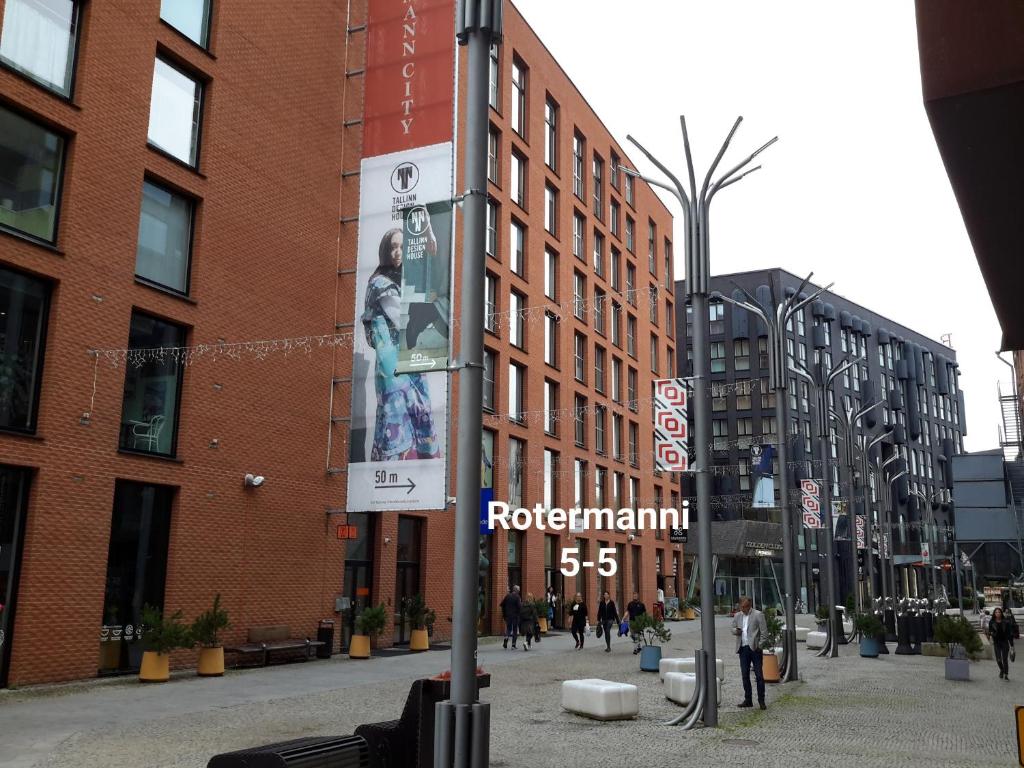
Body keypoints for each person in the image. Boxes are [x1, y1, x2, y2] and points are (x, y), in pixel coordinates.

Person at [362, 229, 440, 462]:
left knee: (418, 411)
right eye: (393, 247)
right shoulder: (380, 283)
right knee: (396, 412)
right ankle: (395, 470)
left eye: (402, 247)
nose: (398, 252)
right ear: (385, 251)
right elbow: (405, 318)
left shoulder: (403, 280)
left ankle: (419, 468)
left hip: (410, 357)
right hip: (394, 362)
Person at [732, 596, 768, 710]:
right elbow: (732, 628)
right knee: (745, 676)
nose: (744, 609)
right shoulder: (737, 616)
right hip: (743, 648)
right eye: (742, 606)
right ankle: (748, 699)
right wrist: (736, 631)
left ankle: (761, 700)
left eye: (746, 606)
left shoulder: (758, 615)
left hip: (755, 648)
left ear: (750, 605)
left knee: (759, 676)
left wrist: (760, 646)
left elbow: (764, 633)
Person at [987, 607, 1015, 680]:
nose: (997, 614)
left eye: (999, 612)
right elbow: (990, 630)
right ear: (994, 614)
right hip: (996, 643)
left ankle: (1006, 674)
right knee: (998, 659)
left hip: (1005, 642)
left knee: (1004, 659)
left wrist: (1012, 645)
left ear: (1001, 613)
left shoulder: (1006, 622)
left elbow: (1010, 634)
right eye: (996, 612)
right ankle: (1002, 670)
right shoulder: (992, 622)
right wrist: (990, 634)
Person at [500, 586, 522, 650]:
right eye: (519, 590)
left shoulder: (507, 596)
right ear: (517, 590)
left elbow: (502, 604)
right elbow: (519, 607)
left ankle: (506, 639)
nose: (519, 591)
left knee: (508, 629)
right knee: (515, 630)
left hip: (508, 616)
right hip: (515, 616)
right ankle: (513, 645)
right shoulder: (517, 597)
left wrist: (504, 613)